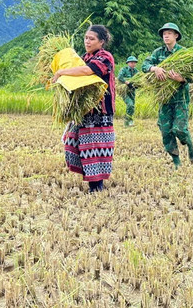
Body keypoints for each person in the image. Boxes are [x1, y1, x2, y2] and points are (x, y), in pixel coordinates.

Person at [52, 25, 115, 193]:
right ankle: (90, 180)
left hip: (99, 110)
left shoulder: (105, 57)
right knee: (73, 143)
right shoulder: (84, 57)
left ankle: (96, 187)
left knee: (94, 148)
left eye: (91, 38)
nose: (87, 41)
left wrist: (62, 71)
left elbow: (88, 71)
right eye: (86, 38)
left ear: (101, 42)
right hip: (83, 110)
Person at [142, 22, 193, 169]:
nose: (166, 35)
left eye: (169, 33)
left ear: (176, 36)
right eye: (164, 33)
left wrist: (182, 79)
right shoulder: (158, 53)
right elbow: (144, 65)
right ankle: (176, 161)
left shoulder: (184, 53)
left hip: (180, 97)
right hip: (164, 98)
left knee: (179, 129)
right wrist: (155, 68)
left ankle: (190, 145)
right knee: (166, 130)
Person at [117, 56, 139, 127]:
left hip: (132, 91)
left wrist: (137, 84)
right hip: (124, 91)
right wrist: (127, 82)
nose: (133, 64)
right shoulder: (124, 69)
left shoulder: (136, 71)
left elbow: (139, 79)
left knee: (132, 106)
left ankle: (130, 120)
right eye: (132, 62)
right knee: (130, 104)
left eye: (134, 63)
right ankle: (126, 122)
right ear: (128, 63)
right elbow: (120, 77)